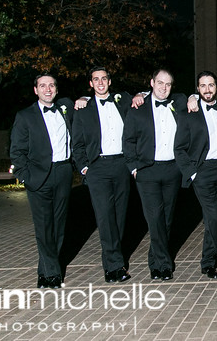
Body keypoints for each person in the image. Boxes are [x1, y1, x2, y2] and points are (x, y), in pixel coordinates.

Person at [9, 74, 74, 289]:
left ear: (56, 89)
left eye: (52, 85)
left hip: (63, 171)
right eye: (43, 86)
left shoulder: (65, 108)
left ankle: (44, 272)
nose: (48, 89)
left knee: (59, 226)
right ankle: (53, 273)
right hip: (38, 176)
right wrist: (26, 176)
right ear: (35, 90)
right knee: (44, 227)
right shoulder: (25, 116)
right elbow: (17, 152)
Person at [122, 69, 187, 281]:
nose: (163, 87)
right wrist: (134, 168)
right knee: (154, 217)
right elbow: (128, 140)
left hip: (172, 169)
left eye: (168, 84)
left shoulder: (178, 104)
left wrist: (195, 97)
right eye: (160, 83)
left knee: (167, 219)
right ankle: (163, 265)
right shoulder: (137, 108)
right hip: (147, 170)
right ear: (151, 83)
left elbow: (189, 97)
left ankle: (155, 260)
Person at [174, 71, 217, 280]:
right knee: (213, 216)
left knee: (214, 218)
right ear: (198, 89)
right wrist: (192, 173)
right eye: (203, 86)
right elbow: (179, 148)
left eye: (211, 85)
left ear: (216, 88)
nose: (207, 89)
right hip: (202, 173)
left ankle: (207, 262)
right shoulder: (187, 114)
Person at [71, 67, 134, 283]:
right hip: (98, 167)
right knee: (105, 217)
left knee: (120, 217)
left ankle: (113, 262)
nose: (100, 82)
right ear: (90, 83)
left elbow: (146, 95)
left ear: (109, 81)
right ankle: (114, 267)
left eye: (104, 78)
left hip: (121, 165)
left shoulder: (123, 100)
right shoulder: (83, 109)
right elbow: (77, 143)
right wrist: (84, 168)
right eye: (95, 79)